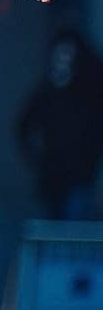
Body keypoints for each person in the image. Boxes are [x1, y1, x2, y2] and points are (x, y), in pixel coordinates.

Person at [17, 30, 103, 220]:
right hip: (51, 177)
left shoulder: (87, 95)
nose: (62, 61)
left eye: (67, 55)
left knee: (71, 228)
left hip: (78, 177)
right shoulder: (46, 92)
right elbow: (23, 126)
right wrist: (37, 159)